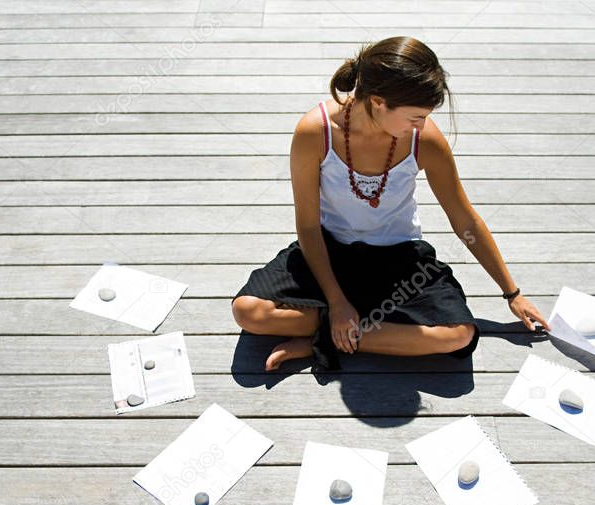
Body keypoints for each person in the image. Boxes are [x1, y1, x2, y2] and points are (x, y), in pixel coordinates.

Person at [232, 36, 550, 372]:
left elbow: (464, 220)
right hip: (328, 251)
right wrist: (338, 302)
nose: (422, 126)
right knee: (248, 311)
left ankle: (324, 338)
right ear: (379, 102)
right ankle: (360, 329)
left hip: (399, 259)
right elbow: (309, 226)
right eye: (415, 117)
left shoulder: (424, 140)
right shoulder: (315, 132)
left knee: (459, 334)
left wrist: (511, 293)